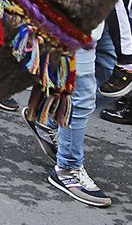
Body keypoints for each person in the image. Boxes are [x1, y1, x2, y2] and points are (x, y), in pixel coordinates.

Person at [45, 22, 113, 206]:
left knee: (113, 74)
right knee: (81, 98)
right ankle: (67, 168)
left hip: (104, 17)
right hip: (77, 17)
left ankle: (53, 120)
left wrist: (127, 49)